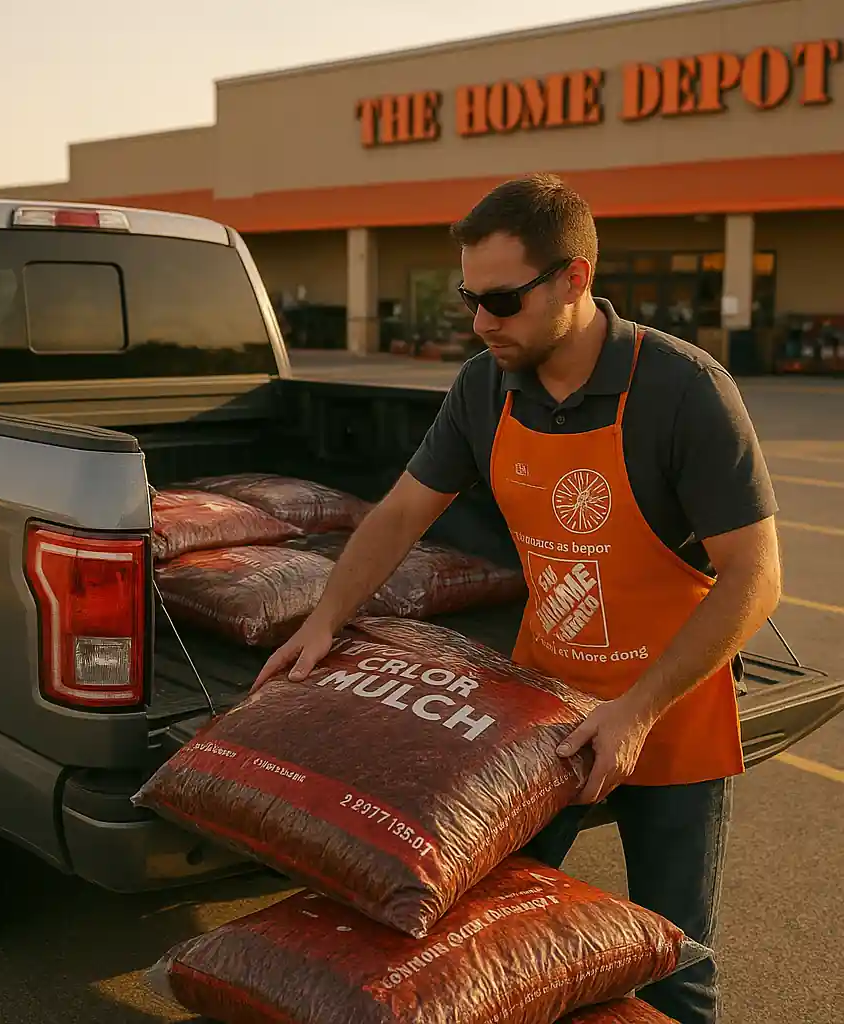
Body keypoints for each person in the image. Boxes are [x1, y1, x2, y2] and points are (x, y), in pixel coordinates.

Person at [252, 173, 781, 1024]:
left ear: (574, 279)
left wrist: (638, 713)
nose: (479, 323)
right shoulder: (484, 386)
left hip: (670, 719)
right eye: (469, 299)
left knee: (673, 967)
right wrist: (323, 622)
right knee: (499, 943)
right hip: (541, 719)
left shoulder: (682, 390)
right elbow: (397, 514)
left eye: (500, 300)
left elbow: (756, 579)